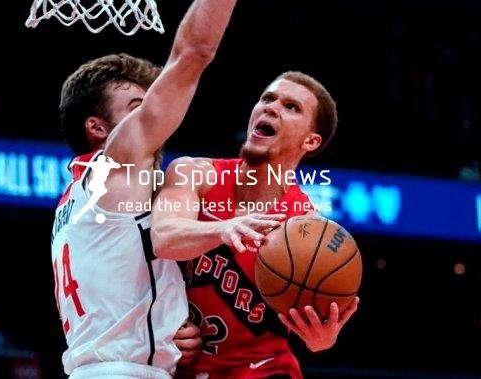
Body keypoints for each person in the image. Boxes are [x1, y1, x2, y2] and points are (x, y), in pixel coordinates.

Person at [49, 0, 238, 377]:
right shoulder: (116, 164)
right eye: (137, 105)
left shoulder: (75, 200)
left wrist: (170, 330)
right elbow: (193, 52)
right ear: (99, 128)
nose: (153, 112)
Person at [151, 71, 360, 378]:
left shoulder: (305, 230)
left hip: (262, 369)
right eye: (267, 98)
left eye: (291, 107)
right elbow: (163, 237)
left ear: (311, 141)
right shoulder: (194, 173)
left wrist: (321, 338)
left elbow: (315, 334)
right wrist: (224, 228)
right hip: (179, 367)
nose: (271, 107)